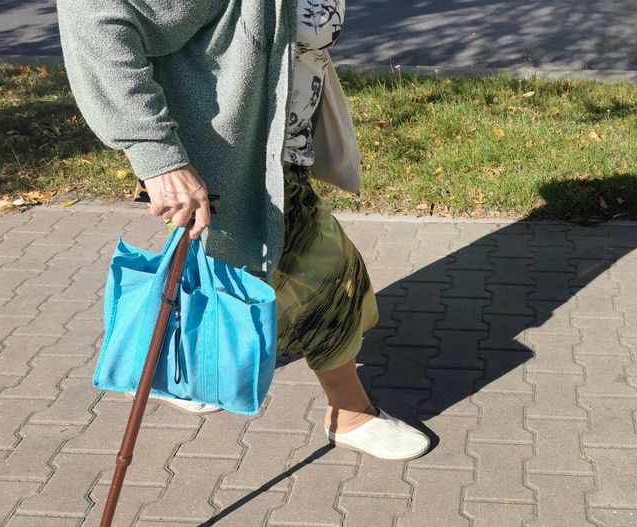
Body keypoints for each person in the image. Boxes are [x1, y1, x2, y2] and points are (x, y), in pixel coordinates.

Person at [57, 0, 430, 461]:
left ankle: (186, 369)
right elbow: (93, 15)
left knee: (229, 271)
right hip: (230, 153)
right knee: (327, 270)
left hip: (276, 142)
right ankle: (350, 413)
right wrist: (156, 154)